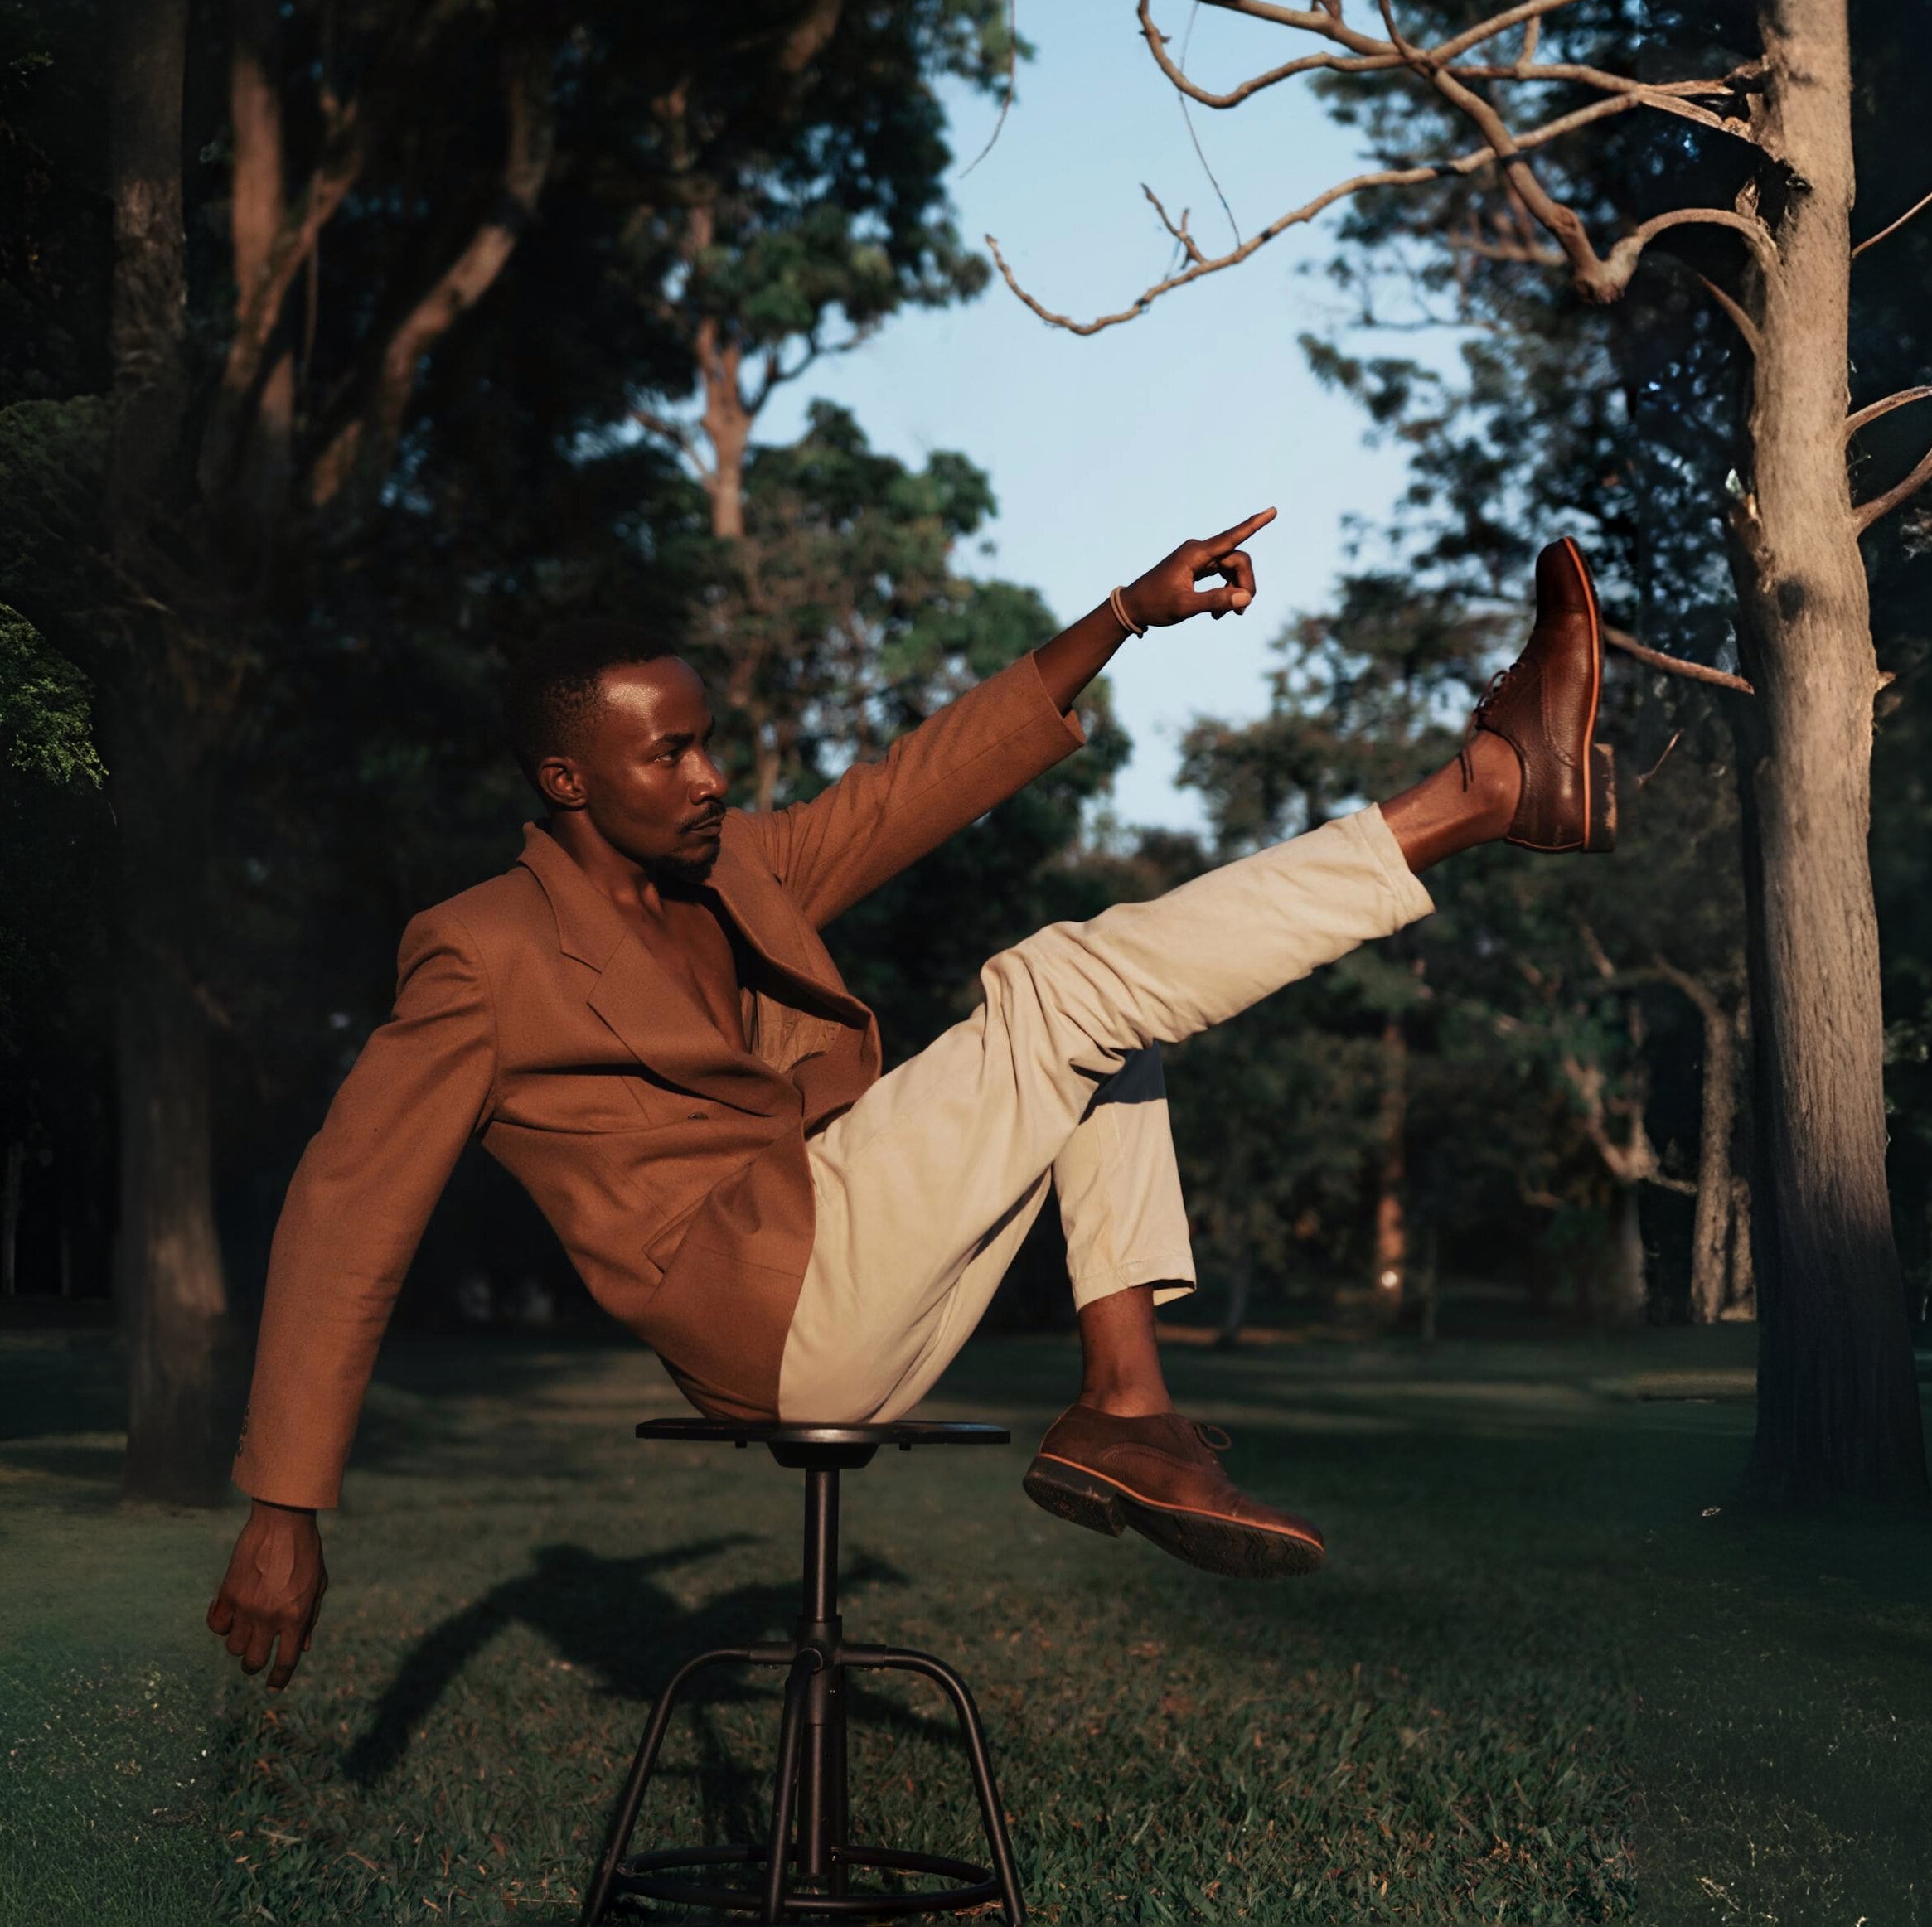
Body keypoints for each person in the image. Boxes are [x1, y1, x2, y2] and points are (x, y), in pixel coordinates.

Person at [207, 514, 1617, 1688]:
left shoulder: (732, 865)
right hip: (764, 1306)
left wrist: (1123, 612)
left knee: (1111, 1025)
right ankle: (1486, 787)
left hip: (849, 1278)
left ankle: (1125, 1405)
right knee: (1069, 983)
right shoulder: (481, 949)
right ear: (565, 780)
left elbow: (916, 787)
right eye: (669, 756)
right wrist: (283, 1507)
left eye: (710, 741)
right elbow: (346, 1210)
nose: (708, 777)